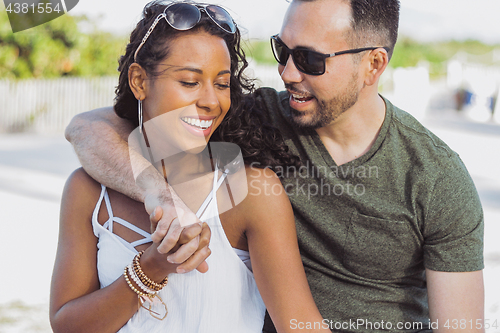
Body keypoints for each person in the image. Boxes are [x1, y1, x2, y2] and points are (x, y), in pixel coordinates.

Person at [65, 0, 485, 332]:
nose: (286, 72)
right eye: (282, 51)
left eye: (309, 60)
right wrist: (159, 194)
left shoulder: (436, 179)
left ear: (373, 64)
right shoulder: (259, 119)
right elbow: (90, 128)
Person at [50, 1, 329, 332]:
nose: (212, 101)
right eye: (189, 81)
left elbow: (301, 326)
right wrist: (151, 269)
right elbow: (66, 325)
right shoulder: (88, 191)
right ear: (139, 81)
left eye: (222, 84)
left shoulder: (251, 192)